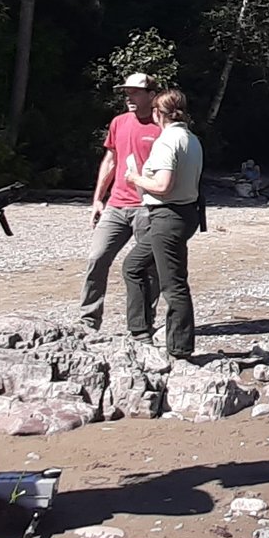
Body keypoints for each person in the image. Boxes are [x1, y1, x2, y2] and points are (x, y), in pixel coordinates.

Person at [80, 72, 165, 331]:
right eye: (127, 92)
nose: (129, 97)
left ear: (152, 95)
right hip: (116, 205)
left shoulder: (163, 126)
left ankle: (142, 324)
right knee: (97, 258)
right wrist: (97, 199)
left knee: (147, 268)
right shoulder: (118, 122)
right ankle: (88, 320)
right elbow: (111, 160)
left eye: (135, 92)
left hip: (148, 207)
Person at [128, 87, 205, 362]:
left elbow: (162, 185)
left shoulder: (166, 141)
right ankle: (140, 331)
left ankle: (180, 350)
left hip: (167, 217)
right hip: (184, 215)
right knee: (134, 266)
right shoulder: (191, 139)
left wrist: (135, 178)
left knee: (173, 285)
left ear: (160, 114)